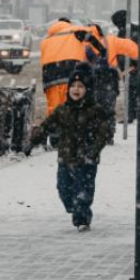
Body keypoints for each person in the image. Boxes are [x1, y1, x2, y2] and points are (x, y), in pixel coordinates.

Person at [27, 62, 111, 232]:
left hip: (87, 160)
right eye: (73, 86)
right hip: (65, 158)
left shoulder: (95, 111)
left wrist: (93, 151)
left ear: (88, 89)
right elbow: (47, 126)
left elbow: (103, 134)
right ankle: (74, 207)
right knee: (63, 189)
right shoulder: (62, 110)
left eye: (80, 86)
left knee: (83, 192)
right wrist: (33, 141)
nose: (76, 89)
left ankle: (82, 219)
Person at [40, 19, 104, 114]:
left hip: (50, 78)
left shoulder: (45, 40)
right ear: (68, 24)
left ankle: (54, 126)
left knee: (54, 109)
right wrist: (102, 51)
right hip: (70, 74)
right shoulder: (74, 30)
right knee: (73, 107)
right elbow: (90, 35)